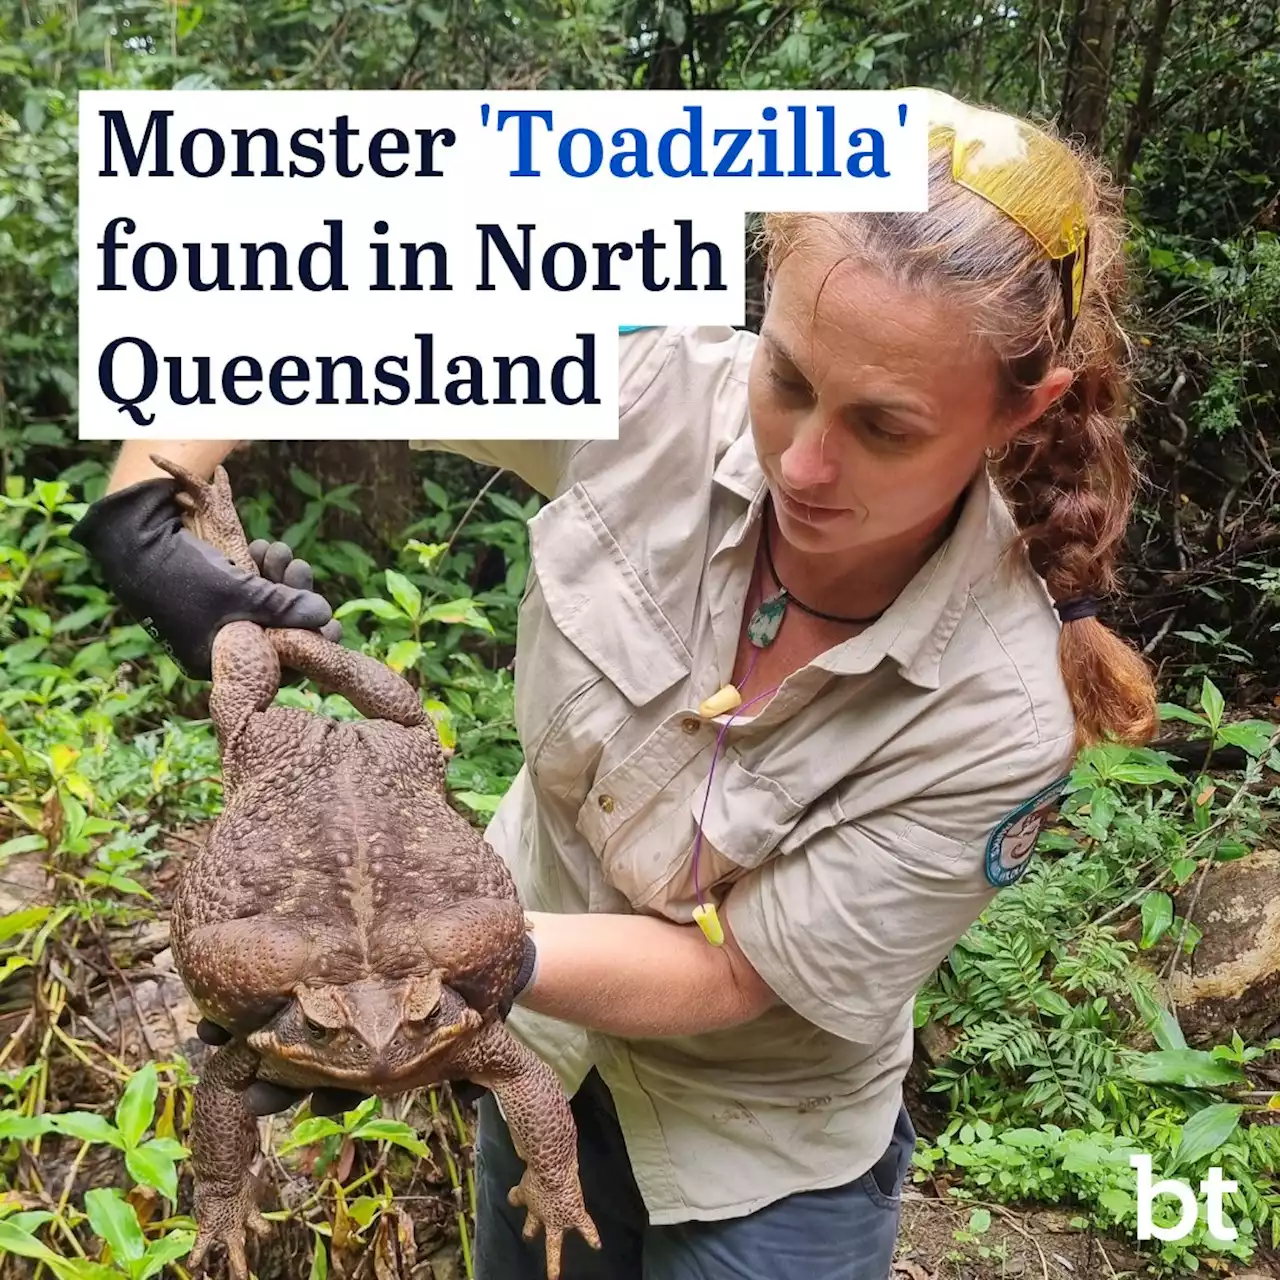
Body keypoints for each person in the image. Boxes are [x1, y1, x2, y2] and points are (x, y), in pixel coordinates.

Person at [72, 88, 1157, 1280]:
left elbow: (738, 968)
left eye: (884, 427)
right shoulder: (660, 397)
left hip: (759, 1149)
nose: (800, 459)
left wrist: (414, 968)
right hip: (532, 1053)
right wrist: (149, 514)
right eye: (786, 374)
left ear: (1021, 410)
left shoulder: (999, 708)